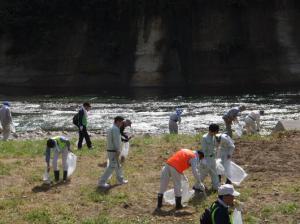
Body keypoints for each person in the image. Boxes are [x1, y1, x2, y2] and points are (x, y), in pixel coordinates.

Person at [98, 116, 128, 188]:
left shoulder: (112, 127)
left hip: (112, 149)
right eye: (121, 122)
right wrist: (118, 150)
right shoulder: (115, 129)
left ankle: (120, 180)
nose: (122, 124)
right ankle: (101, 182)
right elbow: (116, 141)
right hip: (113, 150)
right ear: (117, 121)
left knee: (117, 165)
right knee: (111, 166)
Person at [200, 124, 220, 191]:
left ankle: (216, 187)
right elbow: (203, 150)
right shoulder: (204, 138)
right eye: (215, 132)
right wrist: (203, 160)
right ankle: (197, 187)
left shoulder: (214, 137)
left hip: (212, 158)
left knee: (214, 173)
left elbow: (215, 147)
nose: (216, 133)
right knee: (203, 174)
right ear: (211, 131)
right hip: (207, 158)